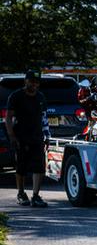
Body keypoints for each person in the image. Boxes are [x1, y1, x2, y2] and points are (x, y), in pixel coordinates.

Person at [5, 70, 50, 207]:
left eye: (36, 82)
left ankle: (36, 196)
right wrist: (12, 135)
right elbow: (8, 118)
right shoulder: (16, 96)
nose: (34, 84)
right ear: (26, 81)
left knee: (39, 167)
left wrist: (47, 136)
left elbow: (44, 118)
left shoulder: (41, 97)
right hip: (21, 136)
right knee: (21, 167)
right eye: (31, 81)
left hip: (37, 136)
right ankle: (21, 193)